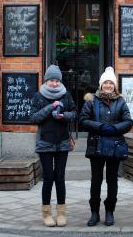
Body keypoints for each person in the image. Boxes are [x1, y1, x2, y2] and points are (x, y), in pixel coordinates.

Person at [79, 67, 133, 227]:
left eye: (111, 83)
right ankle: (94, 213)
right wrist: (100, 126)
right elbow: (82, 120)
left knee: (112, 180)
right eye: (105, 83)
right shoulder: (91, 100)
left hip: (114, 146)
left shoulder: (121, 101)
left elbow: (128, 122)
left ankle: (110, 211)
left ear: (115, 85)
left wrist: (115, 128)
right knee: (96, 181)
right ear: (101, 85)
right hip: (96, 146)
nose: (108, 85)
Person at [30, 65, 77, 227]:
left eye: (57, 80)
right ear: (46, 81)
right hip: (45, 143)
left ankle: (61, 213)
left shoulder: (67, 95)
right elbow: (34, 118)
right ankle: (47, 214)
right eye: (51, 80)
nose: (54, 83)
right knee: (48, 179)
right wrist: (50, 107)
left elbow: (74, 114)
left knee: (60, 178)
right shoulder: (38, 96)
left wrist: (63, 115)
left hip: (63, 143)